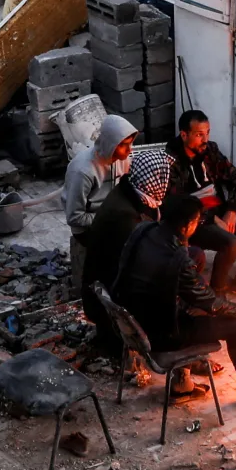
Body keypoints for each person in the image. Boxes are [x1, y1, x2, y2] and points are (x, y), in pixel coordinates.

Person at [113, 193, 236, 413]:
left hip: (129, 318)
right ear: (188, 225)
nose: (199, 224)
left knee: (200, 305)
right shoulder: (176, 257)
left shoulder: (144, 230)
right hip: (158, 335)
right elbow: (209, 303)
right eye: (198, 221)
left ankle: (182, 384)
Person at [166, 110, 236, 301]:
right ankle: (217, 293)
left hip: (220, 209)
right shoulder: (170, 161)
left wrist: (232, 210)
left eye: (207, 132)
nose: (205, 139)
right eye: (199, 134)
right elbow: (177, 203)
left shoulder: (210, 150)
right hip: (195, 220)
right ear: (184, 134)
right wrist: (211, 218)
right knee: (232, 243)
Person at [82, 145, 171, 353]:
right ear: (150, 179)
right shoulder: (125, 216)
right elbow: (135, 265)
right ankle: (167, 349)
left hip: (106, 285)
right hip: (109, 298)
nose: (165, 183)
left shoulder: (129, 192)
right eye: (160, 177)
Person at [64, 113, 135, 287]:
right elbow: (74, 217)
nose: (130, 150)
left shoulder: (123, 160)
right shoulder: (83, 171)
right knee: (121, 248)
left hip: (112, 216)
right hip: (87, 227)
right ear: (111, 144)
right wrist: (108, 218)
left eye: (130, 144)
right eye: (124, 146)